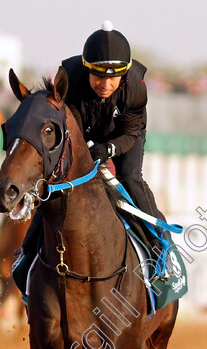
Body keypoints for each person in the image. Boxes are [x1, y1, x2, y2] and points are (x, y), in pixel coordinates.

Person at [17, 21, 168, 273]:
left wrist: (109, 149)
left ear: (124, 75)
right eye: (99, 77)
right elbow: (71, 127)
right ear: (87, 70)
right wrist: (88, 147)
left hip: (122, 135)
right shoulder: (70, 80)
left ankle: (159, 245)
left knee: (131, 178)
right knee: (54, 184)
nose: (106, 86)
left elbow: (131, 133)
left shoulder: (137, 89)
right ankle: (27, 252)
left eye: (113, 79)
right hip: (81, 131)